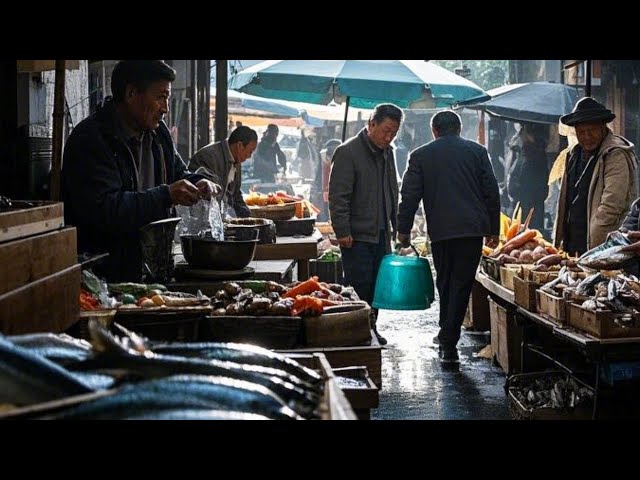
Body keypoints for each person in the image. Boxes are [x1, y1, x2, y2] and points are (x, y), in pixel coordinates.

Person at [61, 60, 220, 282]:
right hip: (108, 279)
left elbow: (177, 172)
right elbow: (105, 210)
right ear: (131, 93)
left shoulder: (158, 133)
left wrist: (199, 181)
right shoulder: (92, 140)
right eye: (160, 97)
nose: (165, 108)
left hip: (154, 271)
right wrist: (166, 195)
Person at [397, 110, 500, 363]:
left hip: (441, 231)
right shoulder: (477, 152)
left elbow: (409, 196)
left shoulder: (420, 155)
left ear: (434, 130)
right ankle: (448, 334)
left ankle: (448, 340)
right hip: (472, 229)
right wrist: (493, 229)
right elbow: (491, 191)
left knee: (444, 281)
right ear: (459, 128)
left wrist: (403, 230)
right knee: (461, 283)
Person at [329, 103, 404, 345]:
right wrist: (342, 230)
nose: (389, 137)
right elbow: (338, 195)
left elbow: (393, 189)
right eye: (386, 130)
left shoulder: (388, 152)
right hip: (357, 235)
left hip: (382, 232)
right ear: (371, 124)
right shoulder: (348, 152)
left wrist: (397, 224)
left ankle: (371, 328)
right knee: (358, 285)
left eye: (394, 132)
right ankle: (356, 331)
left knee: (377, 287)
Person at [554, 97, 638, 256]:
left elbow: (612, 206)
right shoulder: (574, 154)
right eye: (581, 132)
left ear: (602, 127)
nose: (586, 137)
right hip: (573, 244)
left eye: (591, 131)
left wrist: (595, 250)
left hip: (602, 247)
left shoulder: (615, 155)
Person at [188, 126, 258, 218]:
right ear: (239, 146)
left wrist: (247, 216)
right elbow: (208, 198)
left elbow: (236, 195)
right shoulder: (209, 156)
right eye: (250, 152)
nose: (249, 156)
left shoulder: (237, 160)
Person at [506, 122, 549, 232]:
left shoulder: (535, 155)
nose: (519, 134)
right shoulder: (526, 152)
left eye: (522, 130)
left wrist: (515, 191)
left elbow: (532, 188)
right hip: (525, 209)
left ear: (528, 133)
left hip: (527, 212)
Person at [311, 138, 340, 222]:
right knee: (325, 212)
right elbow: (320, 174)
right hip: (325, 189)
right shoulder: (324, 157)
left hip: (330, 190)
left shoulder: (342, 156)